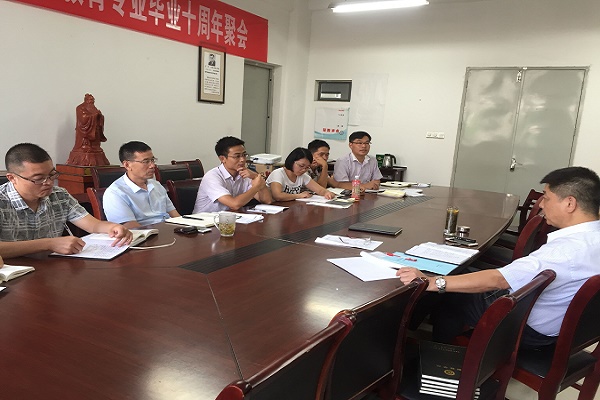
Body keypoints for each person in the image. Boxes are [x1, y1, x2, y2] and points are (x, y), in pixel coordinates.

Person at [397, 166, 600, 349]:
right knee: (460, 273)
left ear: (569, 203)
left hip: (529, 328)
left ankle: (440, 355)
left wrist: (432, 282)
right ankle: (410, 327)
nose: (541, 206)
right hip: (562, 324)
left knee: (449, 292)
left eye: (546, 198)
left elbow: (499, 280)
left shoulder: (565, 252)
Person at [0, 143, 132, 258]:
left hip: (51, 268)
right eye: (38, 178)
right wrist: (48, 244)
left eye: (52, 175)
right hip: (12, 274)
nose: (49, 182)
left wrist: (113, 227)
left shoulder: (59, 195)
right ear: (12, 178)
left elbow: (93, 225)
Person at [103, 141, 181, 228]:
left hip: (169, 230)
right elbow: (132, 228)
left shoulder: (156, 185)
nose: (152, 166)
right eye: (146, 161)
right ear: (127, 165)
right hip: (146, 234)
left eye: (152, 160)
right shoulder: (115, 193)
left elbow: (175, 215)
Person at [193, 136, 273, 213]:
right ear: (222, 159)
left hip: (229, 218)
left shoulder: (246, 174)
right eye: (237, 156)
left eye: (244, 155)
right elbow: (234, 204)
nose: (242, 160)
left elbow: (267, 200)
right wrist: (256, 187)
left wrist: (256, 177)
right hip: (204, 220)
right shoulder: (212, 177)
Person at [266, 147, 336, 201]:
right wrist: (298, 196)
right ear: (292, 161)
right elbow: (277, 196)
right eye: (301, 166)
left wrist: (327, 193)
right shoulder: (278, 173)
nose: (304, 170)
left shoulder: (302, 176)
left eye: (307, 167)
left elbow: (320, 190)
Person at [66, 93, 110, 166]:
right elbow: (83, 118)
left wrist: (100, 116)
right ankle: (86, 147)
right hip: (85, 131)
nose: (92, 101)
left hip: (95, 129)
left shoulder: (94, 108)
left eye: (93, 100)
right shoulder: (80, 108)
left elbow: (99, 116)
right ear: (86, 100)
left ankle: (95, 147)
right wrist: (94, 115)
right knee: (86, 143)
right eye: (90, 100)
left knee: (96, 138)